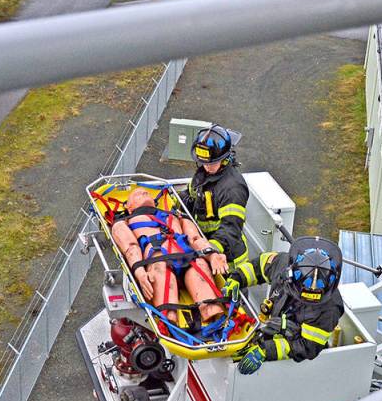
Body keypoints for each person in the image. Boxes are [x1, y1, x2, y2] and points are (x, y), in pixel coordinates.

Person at [222, 237, 344, 375]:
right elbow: (258, 267)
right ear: (291, 275)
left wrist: (266, 350)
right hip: (274, 325)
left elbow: (307, 347)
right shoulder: (282, 263)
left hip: (291, 345)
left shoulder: (329, 309)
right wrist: (237, 277)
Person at [111, 188, 226, 325]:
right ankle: (170, 325)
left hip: (188, 258)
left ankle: (218, 325)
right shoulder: (123, 222)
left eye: (146, 192)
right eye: (137, 194)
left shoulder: (176, 216)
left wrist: (212, 255)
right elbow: (131, 247)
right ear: (129, 208)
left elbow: (195, 239)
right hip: (158, 261)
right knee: (160, 273)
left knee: (200, 265)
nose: (144, 193)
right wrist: (139, 272)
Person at [179, 125, 250, 276]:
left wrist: (211, 250)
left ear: (225, 158)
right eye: (203, 162)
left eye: (211, 163)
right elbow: (191, 194)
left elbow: (231, 228)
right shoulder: (204, 173)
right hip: (204, 245)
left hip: (227, 261)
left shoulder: (232, 188)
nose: (207, 167)